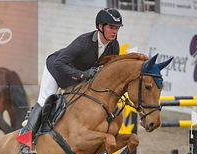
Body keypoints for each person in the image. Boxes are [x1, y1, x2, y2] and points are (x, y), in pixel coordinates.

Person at [21, 8, 123, 136]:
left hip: (78, 79)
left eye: (117, 28)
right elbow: (59, 63)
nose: (115, 32)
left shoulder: (114, 46)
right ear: (100, 26)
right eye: (112, 27)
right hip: (56, 71)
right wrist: (83, 74)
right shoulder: (83, 42)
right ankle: (25, 141)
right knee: (44, 102)